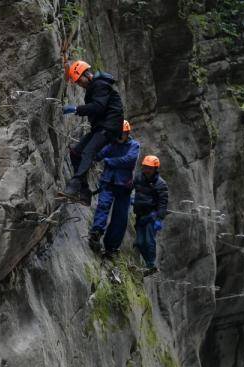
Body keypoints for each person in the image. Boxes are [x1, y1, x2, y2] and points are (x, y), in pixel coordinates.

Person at [62, 60, 124, 205]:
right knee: (76, 153)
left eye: (79, 81)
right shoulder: (94, 87)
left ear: (86, 75)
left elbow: (98, 107)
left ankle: (74, 184)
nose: (79, 84)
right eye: (77, 83)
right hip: (100, 127)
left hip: (109, 126)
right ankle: (84, 193)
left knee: (88, 151)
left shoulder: (100, 85)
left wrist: (77, 109)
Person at [88, 120, 140, 257]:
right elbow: (101, 154)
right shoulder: (112, 144)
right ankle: (96, 233)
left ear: (127, 132)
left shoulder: (134, 146)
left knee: (120, 217)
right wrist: (91, 156)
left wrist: (110, 161)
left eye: (122, 132)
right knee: (103, 205)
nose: (120, 135)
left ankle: (111, 247)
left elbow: (129, 160)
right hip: (109, 182)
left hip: (124, 186)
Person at [132, 155, 168, 276]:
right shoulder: (138, 178)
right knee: (140, 242)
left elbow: (163, 204)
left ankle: (151, 264)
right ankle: (148, 265)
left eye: (149, 168)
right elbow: (131, 188)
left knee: (149, 241)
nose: (146, 170)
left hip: (151, 217)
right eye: (145, 167)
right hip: (139, 215)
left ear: (155, 169)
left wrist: (159, 219)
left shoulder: (161, 184)